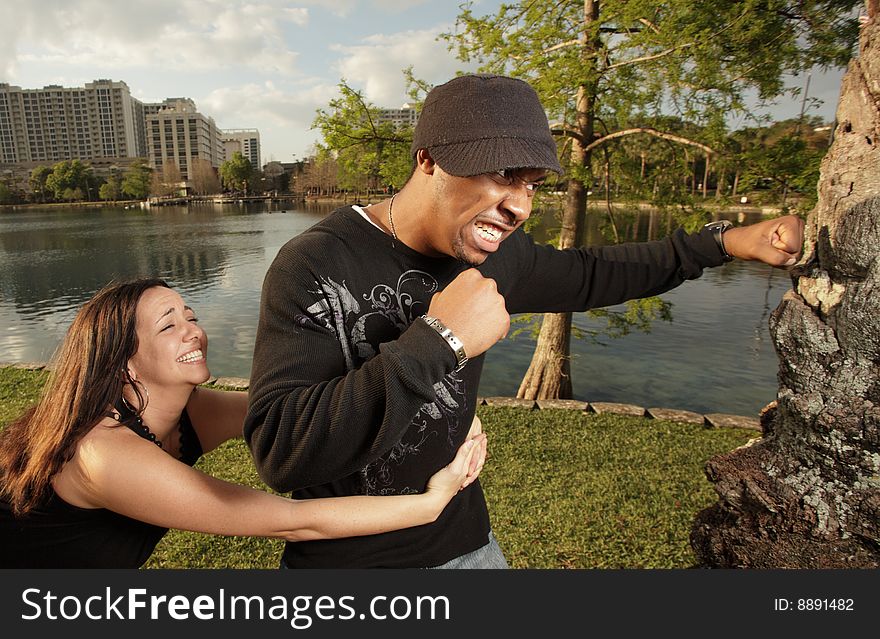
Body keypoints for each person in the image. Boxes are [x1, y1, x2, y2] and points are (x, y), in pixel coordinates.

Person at [244, 73, 805, 569]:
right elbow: (282, 453)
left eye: (532, 183)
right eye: (504, 174)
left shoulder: (497, 259)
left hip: (469, 547)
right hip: (348, 572)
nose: (522, 206)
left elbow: (594, 273)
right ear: (429, 159)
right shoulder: (314, 263)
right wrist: (442, 339)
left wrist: (724, 242)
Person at [0, 278, 486, 568]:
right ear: (123, 362)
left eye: (189, 315)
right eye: (168, 326)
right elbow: (295, 523)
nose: (193, 330)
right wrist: (432, 503)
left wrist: (441, 401)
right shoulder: (105, 454)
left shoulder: (187, 411)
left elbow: (313, 408)